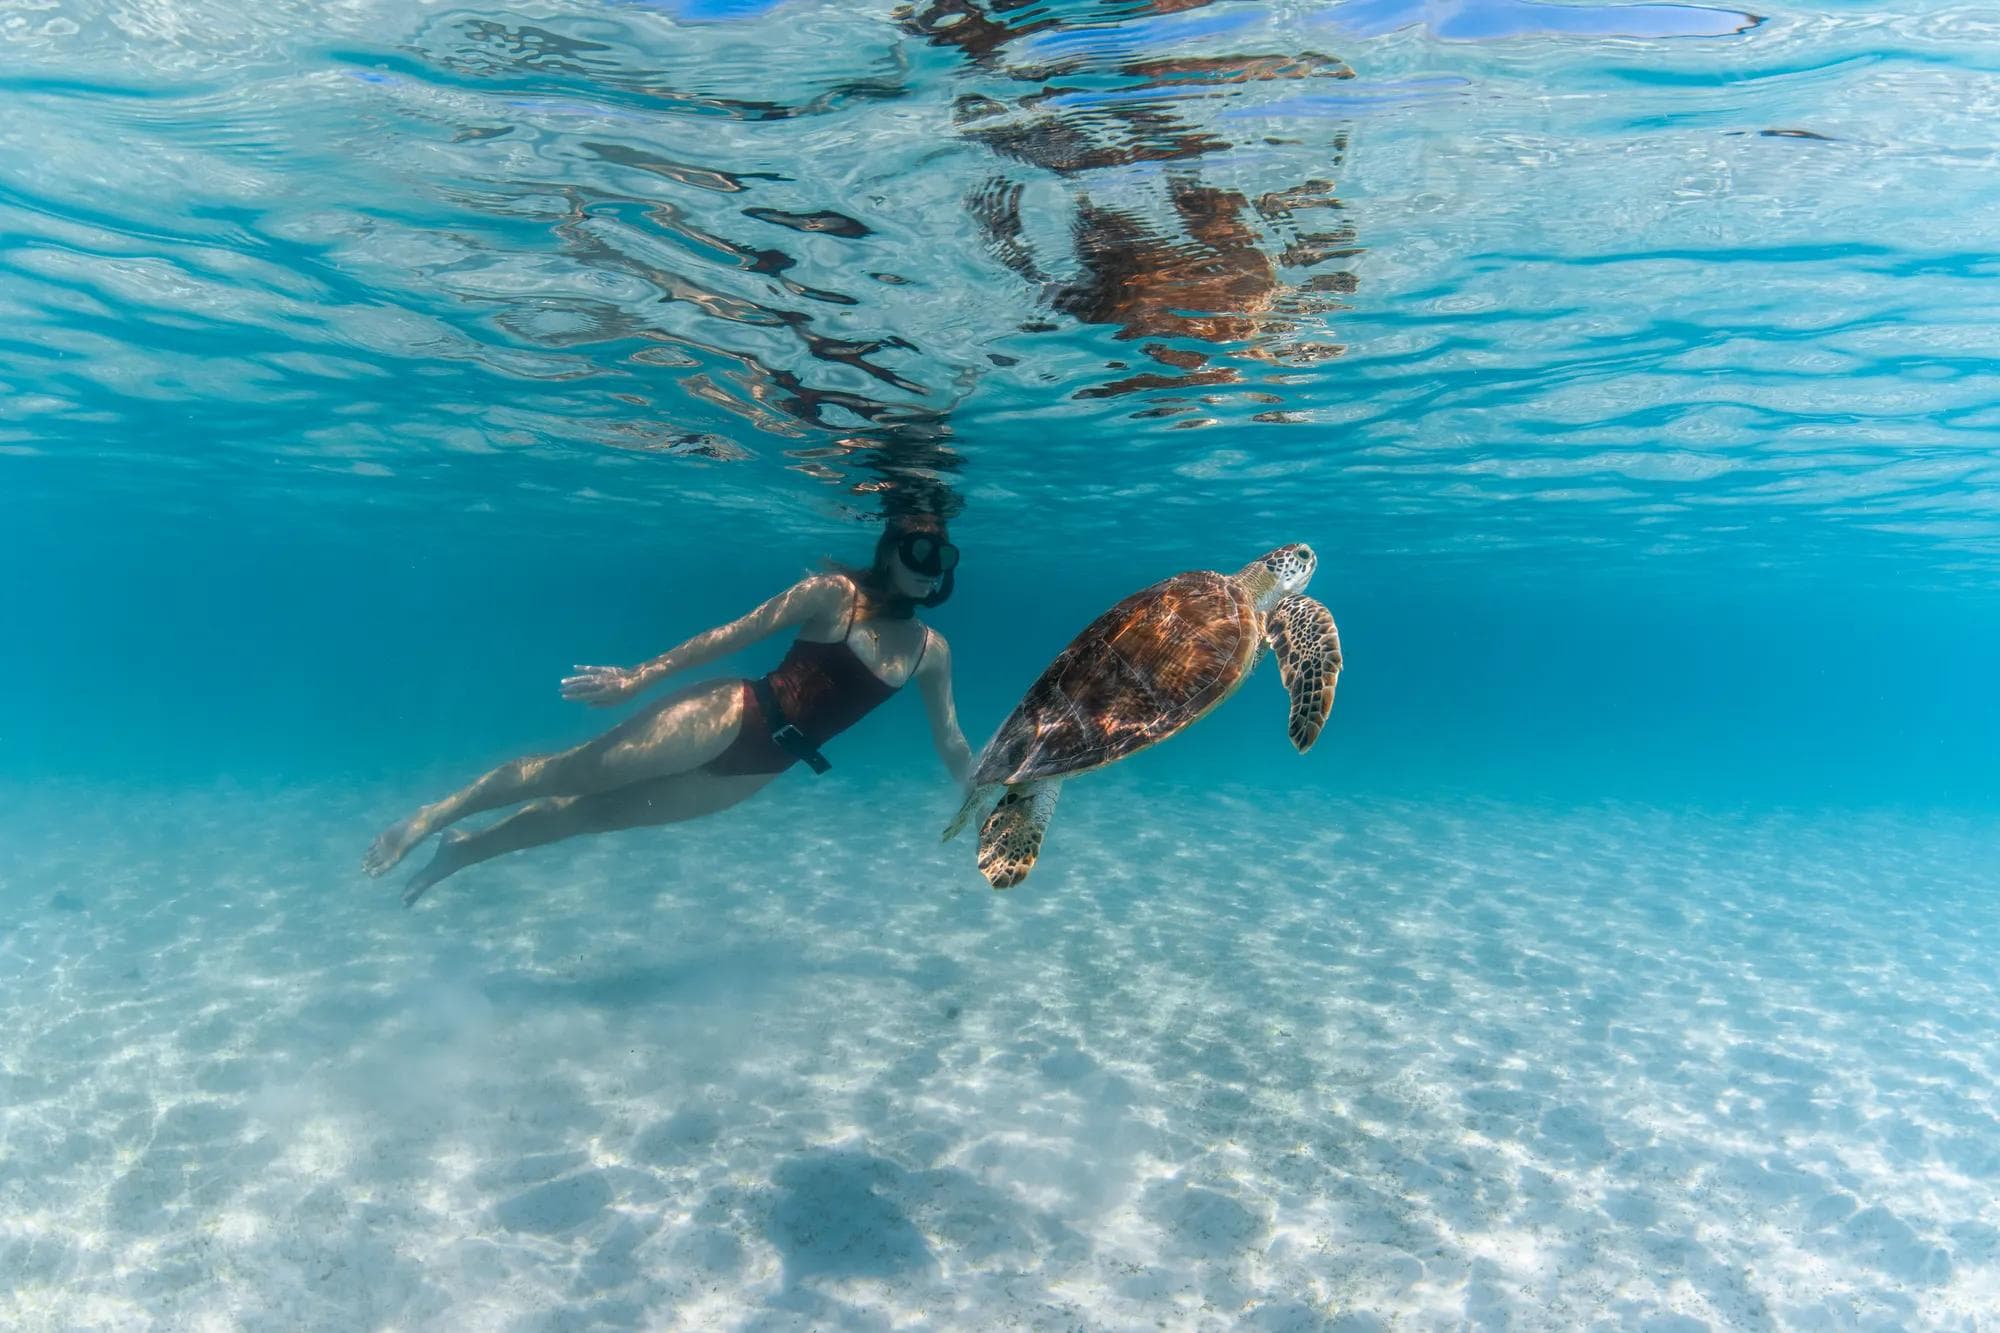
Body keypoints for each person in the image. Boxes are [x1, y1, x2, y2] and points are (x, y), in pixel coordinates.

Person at [363, 516, 974, 905]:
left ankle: (464, 850)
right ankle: (425, 819)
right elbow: (732, 634)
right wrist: (643, 675)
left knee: (589, 817)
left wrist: (982, 788)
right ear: (891, 550)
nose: (927, 570)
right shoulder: (832, 594)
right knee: (569, 772)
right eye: (919, 551)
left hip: (760, 771)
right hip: (733, 714)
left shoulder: (931, 651)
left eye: (940, 560)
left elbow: (950, 740)